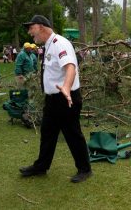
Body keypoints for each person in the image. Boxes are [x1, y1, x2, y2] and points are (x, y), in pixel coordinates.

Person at [20, 15, 92, 183]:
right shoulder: (49, 45)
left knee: (73, 134)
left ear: (42, 27)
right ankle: (41, 166)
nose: (30, 32)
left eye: (32, 27)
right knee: (47, 133)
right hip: (52, 100)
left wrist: (66, 87)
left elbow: (70, 67)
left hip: (66, 98)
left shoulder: (60, 43)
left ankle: (85, 169)